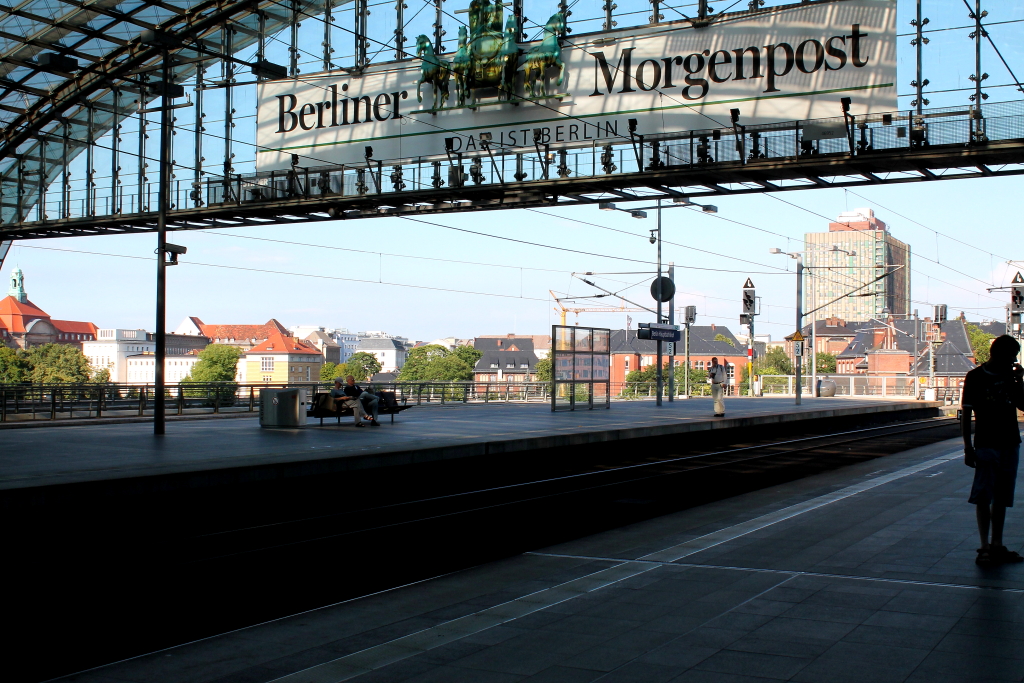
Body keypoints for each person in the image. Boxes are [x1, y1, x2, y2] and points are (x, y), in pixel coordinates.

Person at [962, 335, 1024, 566]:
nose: (1014, 360)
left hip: (1008, 442)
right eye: (1012, 355)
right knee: (985, 495)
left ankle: (995, 544)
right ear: (1000, 354)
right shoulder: (975, 377)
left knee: (1000, 496)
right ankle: (985, 545)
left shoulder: (1010, 377)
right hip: (987, 443)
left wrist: (1020, 381)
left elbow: (1023, 404)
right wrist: (968, 447)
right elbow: (966, 414)